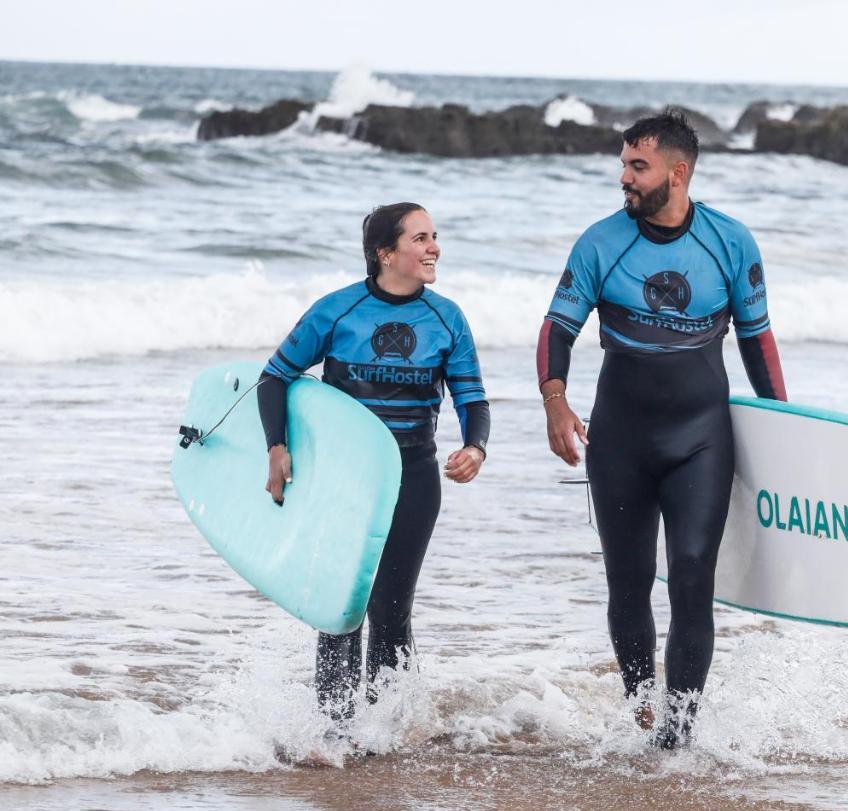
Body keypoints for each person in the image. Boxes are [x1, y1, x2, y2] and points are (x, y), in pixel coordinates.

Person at [536, 111, 787, 749]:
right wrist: (555, 400)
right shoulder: (600, 242)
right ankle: (643, 710)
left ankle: (677, 736)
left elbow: (758, 343)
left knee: (693, 577)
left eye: (636, 166)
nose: (624, 177)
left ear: (677, 173)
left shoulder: (730, 242)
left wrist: (787, 426)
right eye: (624, 164)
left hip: (702, 437)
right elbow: (557, 328)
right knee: (628, 583)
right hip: (619, 438)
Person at [258, 202, 490, 723]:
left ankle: (387, 727)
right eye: (420, 238)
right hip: (346, 478)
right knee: (342, 604)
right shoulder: (337, 311)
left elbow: (472, 397)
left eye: (434, 236)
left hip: (413, 474)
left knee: (391, 606)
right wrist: (277, 447)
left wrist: (475, 447)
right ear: (386, 253)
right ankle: (334, 727)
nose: (434, 247)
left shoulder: (446, 318)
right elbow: (274, 377)